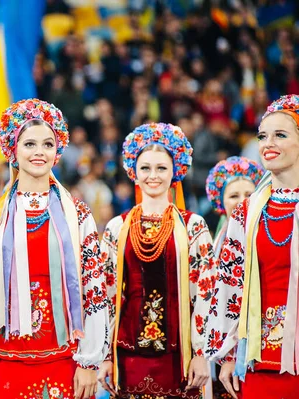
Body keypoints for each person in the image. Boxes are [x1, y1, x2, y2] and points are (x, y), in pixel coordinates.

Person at [0, 99, 109, 399]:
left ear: (58, 151)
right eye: (29, 144)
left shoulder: (77, 214)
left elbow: (94, 287)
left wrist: (89, 362)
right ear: (12, 150)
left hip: (68, 357)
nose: (39, 152)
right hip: (5, 357)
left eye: (47, 144)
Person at [97, 123, 216, 399]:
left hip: (180, 352)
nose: (153, 176)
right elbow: (105, 294)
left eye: (161, 168)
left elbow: (207, 294)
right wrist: (104, 354)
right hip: (127, 351)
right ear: (133, 173)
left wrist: (201, 353)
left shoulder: (193, 226)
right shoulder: (117, 226)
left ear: (175, 172)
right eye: (146, 168)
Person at [204, 94, 299, 399]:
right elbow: (231, 285)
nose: (267, 143)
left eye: (280, 135)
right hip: (257, 361)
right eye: (262, 136)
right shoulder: (246, 212)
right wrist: (230, 355)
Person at [204, 156, 264, 398]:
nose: (242, 202)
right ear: (221, 201)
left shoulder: (264, 239)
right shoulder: (211, 244)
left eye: (248, 194)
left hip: (251, 345)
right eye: (233, 196)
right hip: (216, 347)